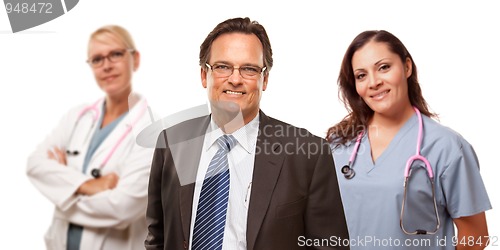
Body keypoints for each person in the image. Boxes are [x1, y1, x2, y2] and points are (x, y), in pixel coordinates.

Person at [145, 17, 349, 250]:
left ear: (265, 79)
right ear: (204, 75)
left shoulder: (308, 154)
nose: (235, 79)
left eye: (249, 69)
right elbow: (157, 238)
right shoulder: (172, 143)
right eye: (222, 66)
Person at [327, 30, 491, 249]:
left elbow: (475, 236)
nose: (374, 82)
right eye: (361, 75)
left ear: (407, 67)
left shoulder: (447, 147)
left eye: (383, 67)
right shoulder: (338, 145)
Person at [27, 25, 154, 250]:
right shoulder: (77, 117)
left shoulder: (150, 132)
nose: (106, 65)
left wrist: (60, 193)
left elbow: (121, 208)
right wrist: (89, 185)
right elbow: (35, 164)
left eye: (115, 54)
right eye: (97, 59)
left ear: (135, 59)